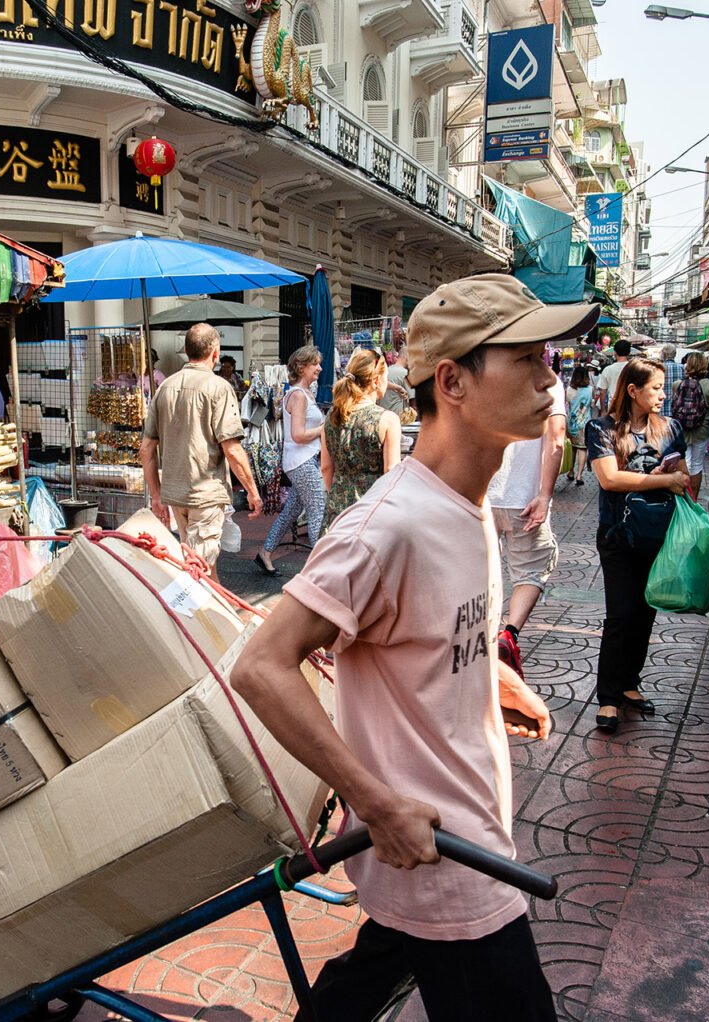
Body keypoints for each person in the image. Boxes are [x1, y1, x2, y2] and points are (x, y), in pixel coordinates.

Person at [231, 271, 599, 1022]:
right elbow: (262, 666)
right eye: (525, 358)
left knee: (375, 971)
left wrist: (488, 676)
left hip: (454, 829)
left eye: (547, 357)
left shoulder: (468, 505)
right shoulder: (387, 527)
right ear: (452, 381)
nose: (548, 377)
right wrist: (376, 804)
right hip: (446, 853)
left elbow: (422, 639)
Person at [585, 357, 689, 734]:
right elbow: (610, 480)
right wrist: (661, 480)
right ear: (632, 390)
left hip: (659, 532)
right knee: (620, 614)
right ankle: (608, 697)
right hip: (617, 534)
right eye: (656, 387)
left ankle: (630, 684)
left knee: (646, 612)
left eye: (663, 387)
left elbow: (684, 476)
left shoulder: (670, 428)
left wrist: (673, 476)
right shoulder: (600, 428)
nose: (663, 394)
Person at [140, 323, 263, 572]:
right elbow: (232, 449)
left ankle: (213, 610)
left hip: (176, 492)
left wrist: (156, 495)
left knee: (199, 564)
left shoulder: (164, 387)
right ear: (215, 353)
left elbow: (146, 449)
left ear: (186, 351)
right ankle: (193, 610)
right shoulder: (218, 387)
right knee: (200, 571)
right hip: (204, 493)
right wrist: (253, 491)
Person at [487, 375, 566, 681]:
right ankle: (508, 634)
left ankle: (485, 634)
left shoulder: (485, 369)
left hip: (481, 491)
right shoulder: (548, 380)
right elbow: (556, 437)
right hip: (524, 497)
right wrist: (545, 494)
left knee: (482, 568)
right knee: (530, 571)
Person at [255, 345, 325, 575]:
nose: (320, 368)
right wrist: (325, 428)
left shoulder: (302, 394)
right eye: (315, 364)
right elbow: (298, 435)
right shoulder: (298, 395)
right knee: (318, 512)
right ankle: (320, 570)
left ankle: (265, 553)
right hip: (302, 462)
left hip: (300, 461)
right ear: (302, 366)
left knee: (292, 511)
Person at [321, 349, 401, 533]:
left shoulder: (332, 417)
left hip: (337, 513)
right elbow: (391, 473)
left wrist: (338, 494)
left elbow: (326, 467)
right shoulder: (387, 419)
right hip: (372, 513)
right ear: (376, 381)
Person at [667, 353, 709, 498]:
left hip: (682, 429)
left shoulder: (678, 384)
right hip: (702, 429)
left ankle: (682, 496)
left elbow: (676, 405)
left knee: (683, 462)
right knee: (697, 464)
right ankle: (693, 499)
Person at [565, 366, 593, 485]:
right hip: (585, 423)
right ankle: (579, 476)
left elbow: (568, 404)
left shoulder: (569, 389)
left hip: (571, 422)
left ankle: (570, 471)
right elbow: (591, 404)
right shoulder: (590, 389)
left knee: (572, 448)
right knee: (583, 448)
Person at [593, 339, 632, 415]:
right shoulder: (633, 368)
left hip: (613, 408)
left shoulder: (608, 370)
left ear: (615, 352)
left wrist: (603, 410)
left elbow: (602, 392)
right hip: (630, 408)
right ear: (629, 352)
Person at [378, 348, 412, 415]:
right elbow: (413, 402)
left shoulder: (385, 372)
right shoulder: (405, 374)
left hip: (383, 417)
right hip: (400, 419)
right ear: (408, 358)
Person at [659, 343, 685, 417]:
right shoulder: (682, 368)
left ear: (663, 354)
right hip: (677, 410)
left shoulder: (659, 368)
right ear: (675, 354)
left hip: (661, 409)